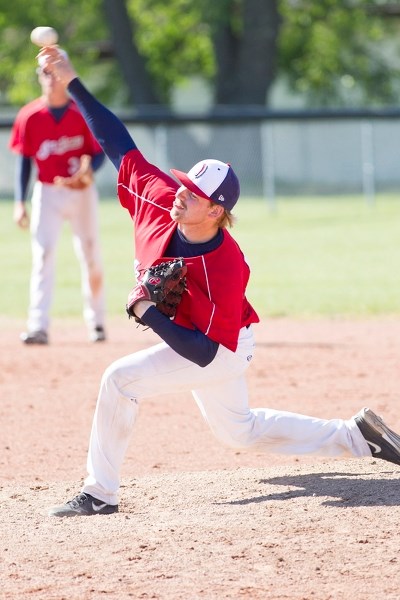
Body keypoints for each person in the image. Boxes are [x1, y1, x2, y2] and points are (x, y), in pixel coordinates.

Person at [37, 47, 400, 518]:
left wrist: (147, 311)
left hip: (220, 345)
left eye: (194, 194)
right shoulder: (159, 199)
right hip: (200, 338)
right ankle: (358, 436)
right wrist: (73, 83)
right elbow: (117, 142)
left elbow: (206, 354)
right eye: (183, 185)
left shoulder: (226, 265)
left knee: (120, 380)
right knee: (239, 432)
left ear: (216, 212)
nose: (180, 195)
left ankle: (99, 493)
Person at [9, 58, 107, 345]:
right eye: (45, 72)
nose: (51, 77)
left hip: (81, 193)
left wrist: (90, 171)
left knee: (90, 254)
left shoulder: (81, 112)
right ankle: (38, 325)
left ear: (65, 75)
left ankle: (97, 322)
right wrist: (19, 202)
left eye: (55, 72)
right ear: (39, 77)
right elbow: (25, 162)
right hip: (47, 192)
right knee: (43, 255)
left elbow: (98, 151)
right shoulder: (29, 115)